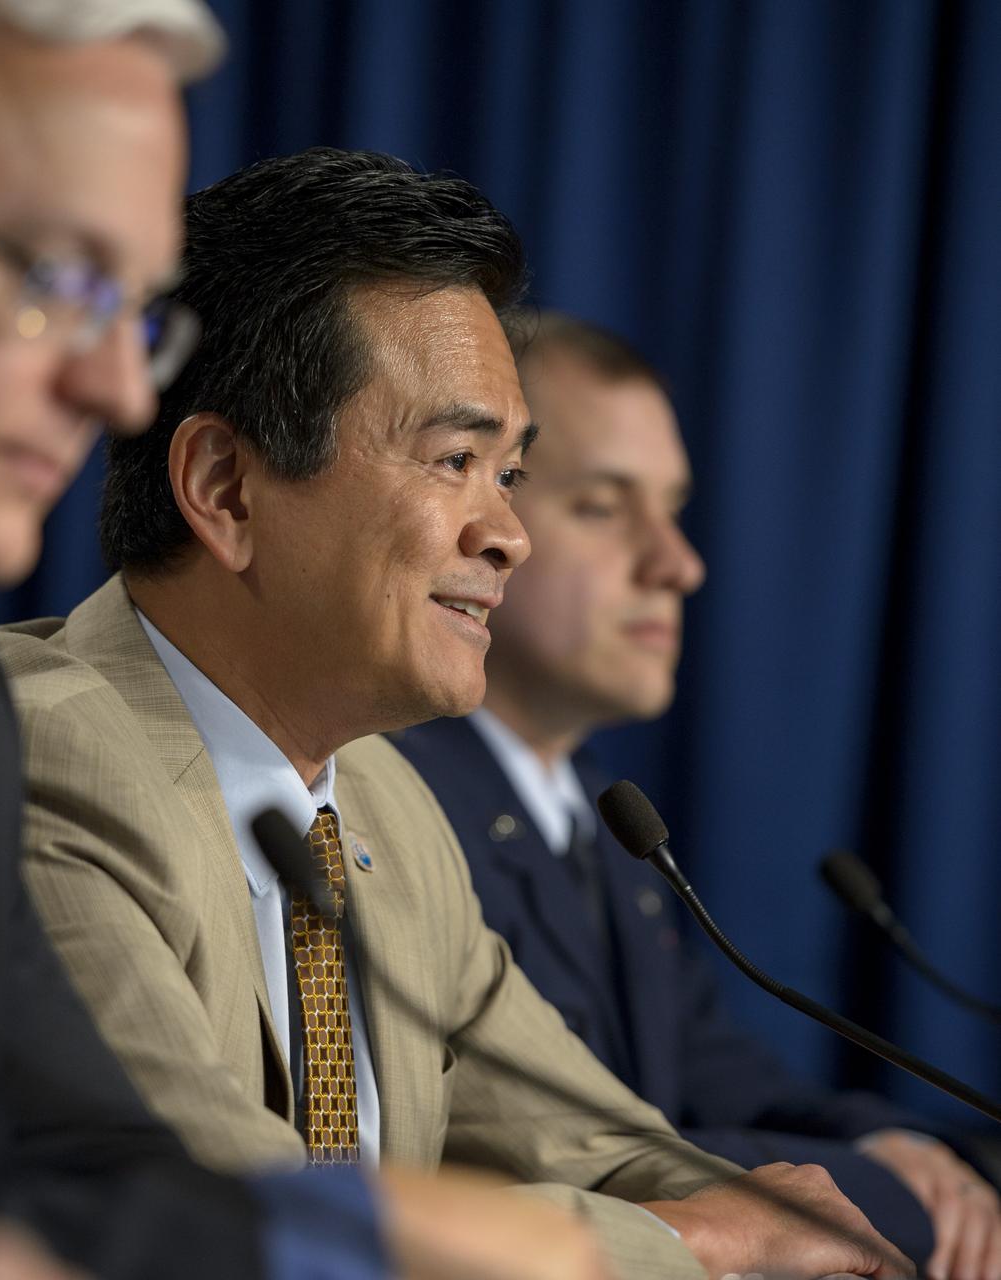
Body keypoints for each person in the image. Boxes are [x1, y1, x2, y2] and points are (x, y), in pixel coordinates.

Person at [0, 148, 911, 1279]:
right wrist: (697, 1237)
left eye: (510, 475)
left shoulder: (379, 802)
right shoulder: (39, 759)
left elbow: (599, 1138)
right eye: (456, 459)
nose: (507, 535)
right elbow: (230, 1221)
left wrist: (790, 1229)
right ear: (227, 488)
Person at [0, 5, 606, 1278]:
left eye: (132, 310)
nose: (116, 389)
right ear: (228, 490)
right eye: (53, 277)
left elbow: (83, 1164)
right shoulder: (41, 733)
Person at [392, 309, 1001, 1278]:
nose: (678, 563)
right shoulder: (394, 805)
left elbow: (717, 1069)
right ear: (481, 514)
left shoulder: (602, 819)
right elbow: (571, 1165)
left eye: (672, 507)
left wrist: (909, 1148)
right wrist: (883, 1187)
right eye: (602, 504)